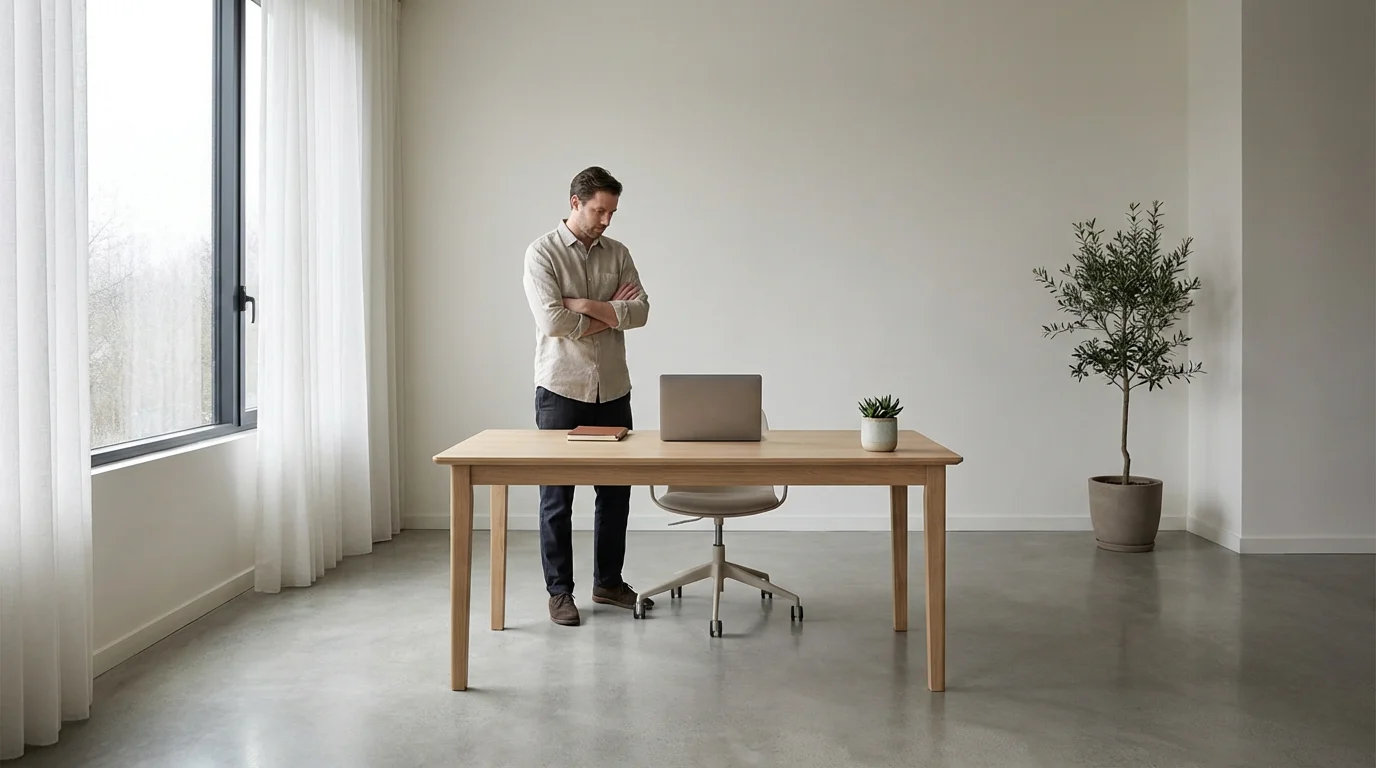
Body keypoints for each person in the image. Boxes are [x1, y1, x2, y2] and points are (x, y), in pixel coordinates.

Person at [521, 166, 654, 626]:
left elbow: (641, 311)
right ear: (574, 201)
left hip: (613, 388)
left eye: (612, 211)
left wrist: (586, 306)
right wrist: (609, 314)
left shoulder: (618, 252)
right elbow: (552, 323)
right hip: (562, 387)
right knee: (557, 496)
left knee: (615, 492)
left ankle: (608, 583)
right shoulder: (542, 253)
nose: (607, 221)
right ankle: (560, 592)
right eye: (600, 210)